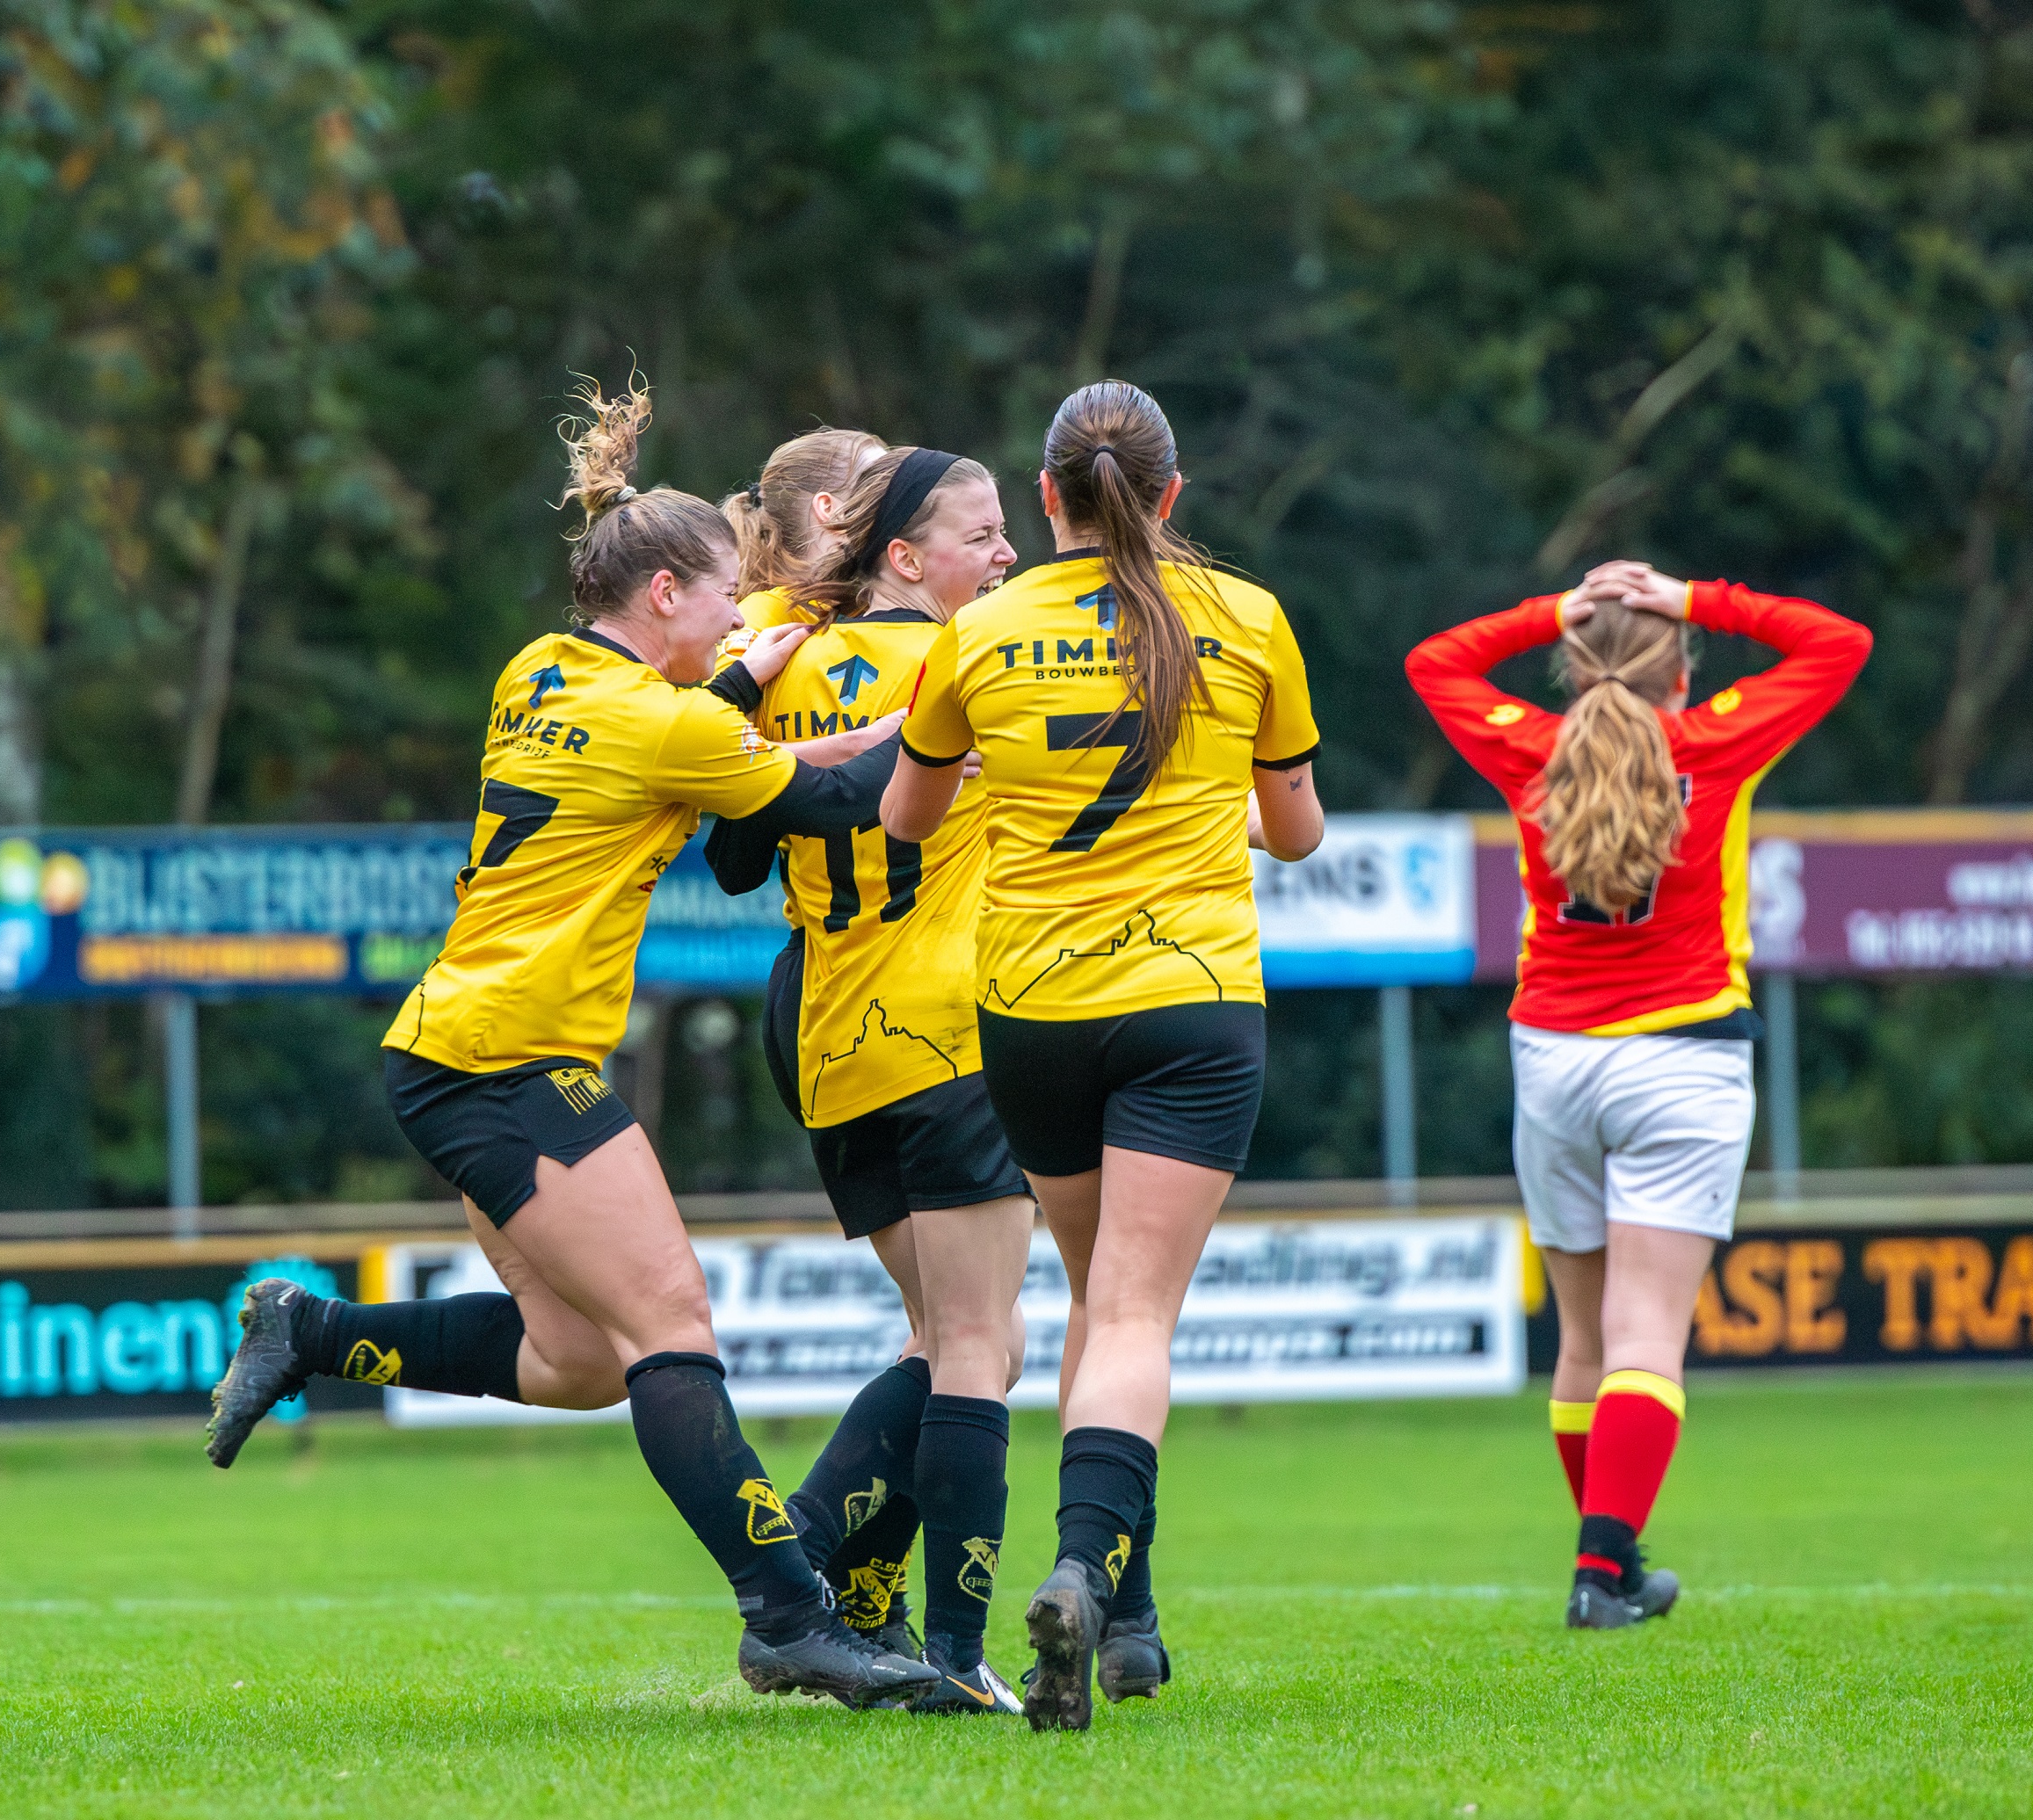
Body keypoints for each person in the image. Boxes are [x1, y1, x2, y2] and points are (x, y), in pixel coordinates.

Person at [204, 380, 937, 1708]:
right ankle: (792, 1615)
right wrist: (954, 714)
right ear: (662, 594)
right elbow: (836, 792)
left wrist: (734, 674)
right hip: (507, 1058)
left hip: (453, 1044)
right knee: (671, 1328)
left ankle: (310, 1329)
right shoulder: (669, 722)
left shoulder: (541, 668)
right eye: (722, 597)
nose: (737, 617)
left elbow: (667, 730)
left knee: (583, 1359)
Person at [880, 381, 1325, 1731]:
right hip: (1192, 1001)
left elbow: (908, 813)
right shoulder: (1247, 615)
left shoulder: (981, 627)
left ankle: (1125, 1613)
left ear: (1047, 496)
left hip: (1032, 1009)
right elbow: (1297, 831)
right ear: (1172, 493)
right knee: (1132, 1316)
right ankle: (1088, 1573)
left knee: (1093, 1297)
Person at [1405, 559, 1870, 1629]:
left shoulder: (1529, 743)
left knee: (1582, 1339)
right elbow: (1838, 640)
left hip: (1553, 1057)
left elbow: (1434, 661)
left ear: (1573, 666)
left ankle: (1611, 1560)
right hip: (1686, 1055)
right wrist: (1697, 596)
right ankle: (1601, 1569)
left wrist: (1548, 610)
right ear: (1680, 670)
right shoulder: (1712, 736)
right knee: (1647, 1331)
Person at [705, 446, 1032, 1715]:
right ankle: (903, 1619)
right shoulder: (967, 660)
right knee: (977, 1346)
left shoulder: (778, 644)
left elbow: (735, 848)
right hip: (949, 1027)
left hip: (832, 1041)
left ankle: (845, 1594)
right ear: (894, 545)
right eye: (983, 531)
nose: (1004, 557)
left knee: (946, 1336)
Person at [718, 426, 885, 657]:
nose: (899, 498)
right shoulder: (763, 613)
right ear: (831, 510)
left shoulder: (869, 605)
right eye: (880, 489)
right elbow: (722, 692)